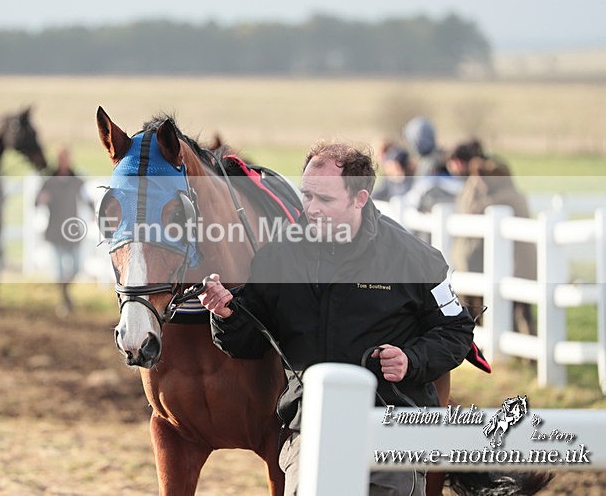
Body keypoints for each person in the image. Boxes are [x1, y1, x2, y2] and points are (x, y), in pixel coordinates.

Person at [199, 141, 475, 496]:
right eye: (307, 196)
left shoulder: (415, 260)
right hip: (311, 431)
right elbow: (248, 343)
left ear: (359, 198)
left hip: (392, 429)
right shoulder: (277, 259)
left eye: (324, 200)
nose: (311, 209)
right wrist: (226, 314)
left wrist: (412, 359)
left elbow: (457, 329)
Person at [452, 156, 537, 335]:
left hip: (517, 263)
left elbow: (472, 210)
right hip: (518, 261)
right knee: (520, 309)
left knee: (519, 308)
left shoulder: (504, 198)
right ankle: (524, 349)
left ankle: (523, 349)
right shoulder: (512, 194)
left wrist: (474, 185)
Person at [35, 147, 94, 317]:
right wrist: (41, 200)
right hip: (55, 231)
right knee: (59, 271)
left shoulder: (76, 180)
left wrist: (93, 213)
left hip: (72, 231)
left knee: (76, 267)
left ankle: (65, 294)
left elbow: (86, 199)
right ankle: (65, 301)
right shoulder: (49, 181)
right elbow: (37, 202)